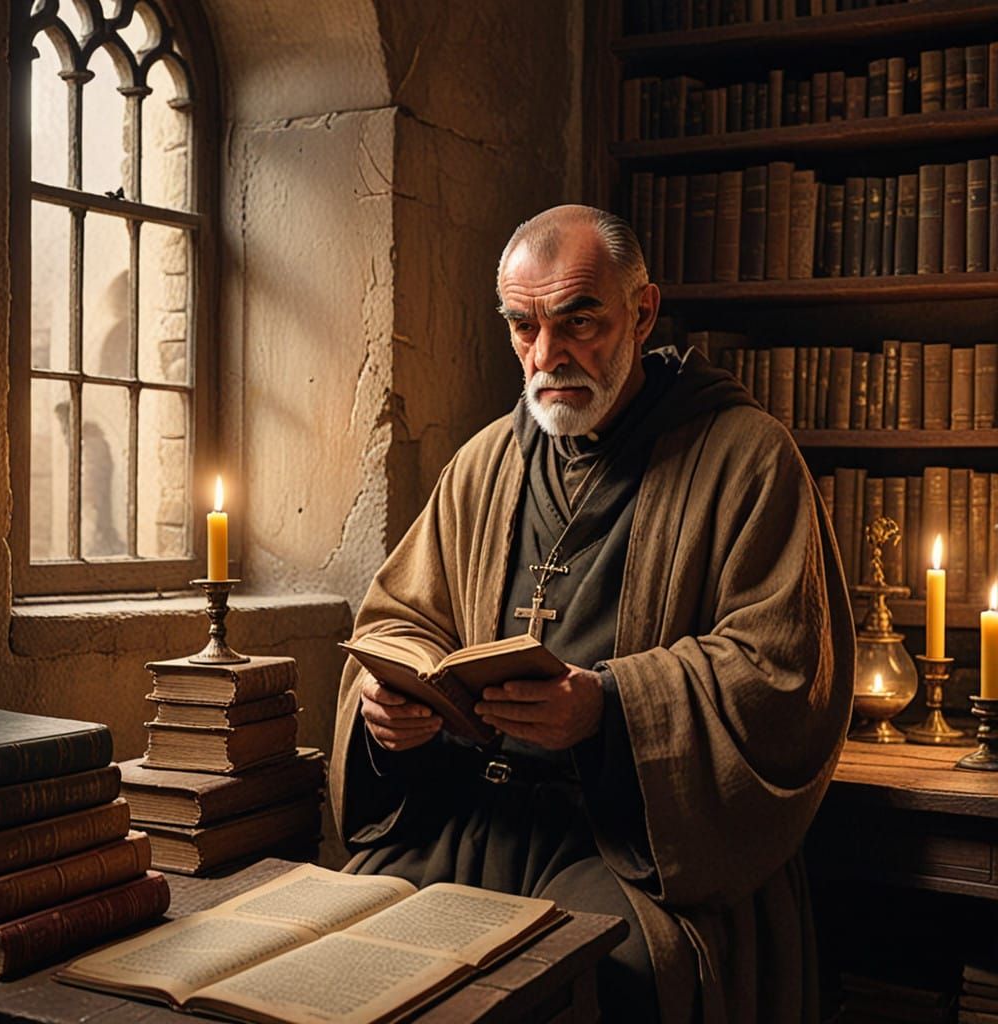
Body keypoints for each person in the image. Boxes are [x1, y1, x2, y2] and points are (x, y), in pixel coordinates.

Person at [329, 204, 855, 1023]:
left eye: (579, 322)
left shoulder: (746, 458)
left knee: (600, 980)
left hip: (635, 844)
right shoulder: (486, 462)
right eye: (523, 327)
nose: (547, 356)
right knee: (341, 947)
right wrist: (391, 703)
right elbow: (402, 618)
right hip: (473, 815)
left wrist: (607, 708)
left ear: (642, 311)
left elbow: (782, 674)